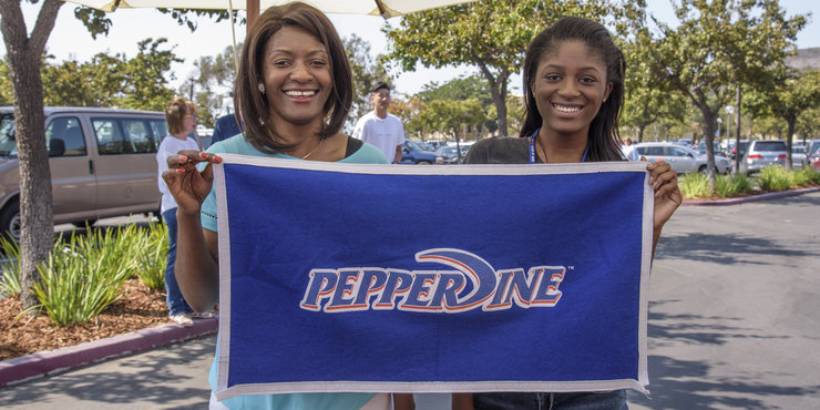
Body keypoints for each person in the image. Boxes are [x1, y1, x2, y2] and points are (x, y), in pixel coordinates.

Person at [162, 3, 402, 409]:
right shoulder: (224, 163)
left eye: (317, 62)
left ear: (334, 75)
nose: (302, 75)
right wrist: (188, 213)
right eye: (282, 61)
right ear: (259, 78)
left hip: (356, 396)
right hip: (250, 396)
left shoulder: (371, 167)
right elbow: (201, 298)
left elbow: (392, 291)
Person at [461, 16, 681, 410]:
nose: (569, 90)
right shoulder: (490, 159)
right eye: (553, 76)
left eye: (586, 79)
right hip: (497, 380)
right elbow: (458, 288)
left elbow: (619, 293)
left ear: (606, 90)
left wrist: (650, 226)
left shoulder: (619, 178)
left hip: (590, 384)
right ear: (532, 84)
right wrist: (462, 392)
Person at [155, 97, 199, 326]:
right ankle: (176, 307)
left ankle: (194, 304)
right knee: (176, 256)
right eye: (190, 116)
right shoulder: (168, 145)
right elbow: (167, 182)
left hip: (193, 207)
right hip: (175, 208)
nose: (194, 120)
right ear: (179, 119)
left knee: (192, 257)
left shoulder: (192, 143)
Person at [352, 82, 405, 163]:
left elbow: (399, 150)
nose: (384, 99)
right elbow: (355, 151)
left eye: (387, 95)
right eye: (381, 95)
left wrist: (395, 164)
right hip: (369, 172)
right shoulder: (365, 122)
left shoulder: (396, 122)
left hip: (389, 172)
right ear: (372, 98)